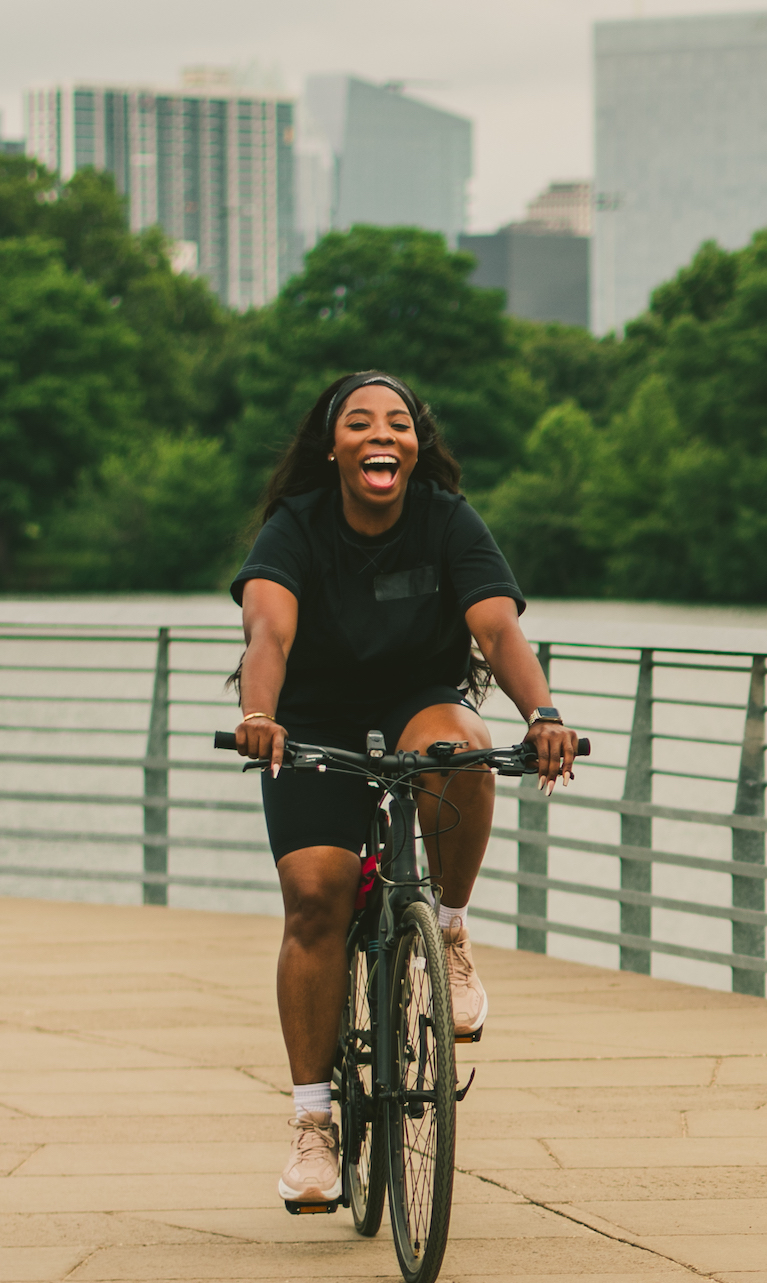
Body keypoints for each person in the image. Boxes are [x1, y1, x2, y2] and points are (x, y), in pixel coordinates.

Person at [230, 370, 576, 1213]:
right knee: (315, 898)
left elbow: (497, 626)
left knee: (462, 747)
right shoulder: (297, 526)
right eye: (360, 423)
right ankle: (315, 1125)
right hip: (310, 717)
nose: (382, 436)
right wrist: (258, 711)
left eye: (400, 423)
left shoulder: (446, 520)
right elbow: (268, 627)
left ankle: (448, 932)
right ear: (333, 446)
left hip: (417, 699)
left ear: (416, 445)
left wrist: (545, 713)